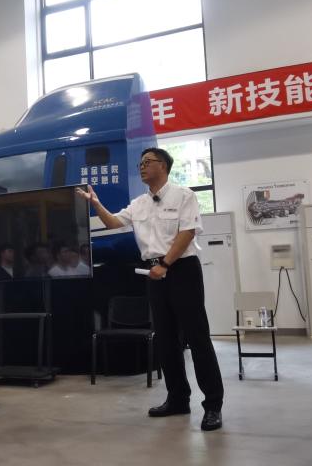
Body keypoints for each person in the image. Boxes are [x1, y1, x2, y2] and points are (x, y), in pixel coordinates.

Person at [78, 146, 224, 431]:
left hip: (182, 270)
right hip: (154, 273)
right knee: (166, 339)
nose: (142, 167)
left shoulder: (184, 195)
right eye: (141, 163)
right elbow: (113, 222)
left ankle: (213, 406)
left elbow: (187, 232)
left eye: (148, 162)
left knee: (197, 338)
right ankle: (178, 399)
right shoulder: (139, 204)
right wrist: (96, 203)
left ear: (163, 166)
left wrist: (166, 264)